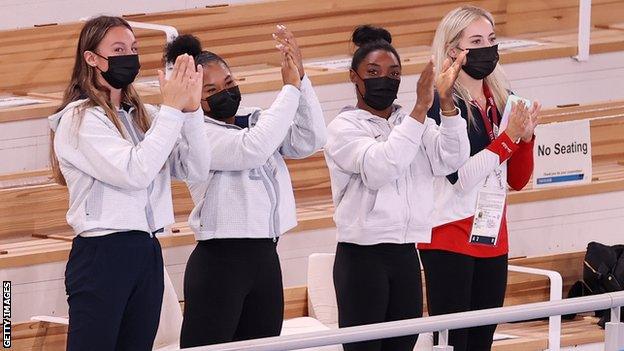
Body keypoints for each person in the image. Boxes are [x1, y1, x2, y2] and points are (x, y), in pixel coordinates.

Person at [48, 15, 210, 351]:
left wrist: (192, 110)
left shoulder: (144, 114)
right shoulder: (80, 119)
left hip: (147, 249)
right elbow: (134, 171)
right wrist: (172, 110)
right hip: (103, 252)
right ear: (91, 58)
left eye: (134, 48)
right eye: (118, 49)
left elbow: (195, 168)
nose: (129, 55)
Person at [162, 26, 327, 348]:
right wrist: (290, 90)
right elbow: (252, 149)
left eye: (229, 83)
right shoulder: (196, 135)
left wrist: (302, 80)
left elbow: (311, 139)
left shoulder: (255, 120)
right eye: (210, 90)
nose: (224, 93)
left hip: (265, 256)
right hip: (220, 261)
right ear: (195, 95)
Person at [324, 24, 470, 351]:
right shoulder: (343, 128)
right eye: (373, 72)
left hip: (405, 254)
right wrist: (420, 110)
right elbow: (380, 168)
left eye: (393, 73)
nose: (384, 80)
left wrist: (445, 103)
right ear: (354, 77)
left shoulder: (410, 122)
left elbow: (452, 159)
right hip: (362, 259)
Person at [418, 6, 541, 351]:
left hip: (492, 233)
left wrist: (526, 139)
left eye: (491, 39)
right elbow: (461, 177)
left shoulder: (502, 98)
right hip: (449, 235)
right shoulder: (440, 104)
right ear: (453, 50)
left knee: (481, 342)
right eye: (476, 41)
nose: (487, 48)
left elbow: (517, 180)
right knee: (455, 343)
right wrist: (508, 140)